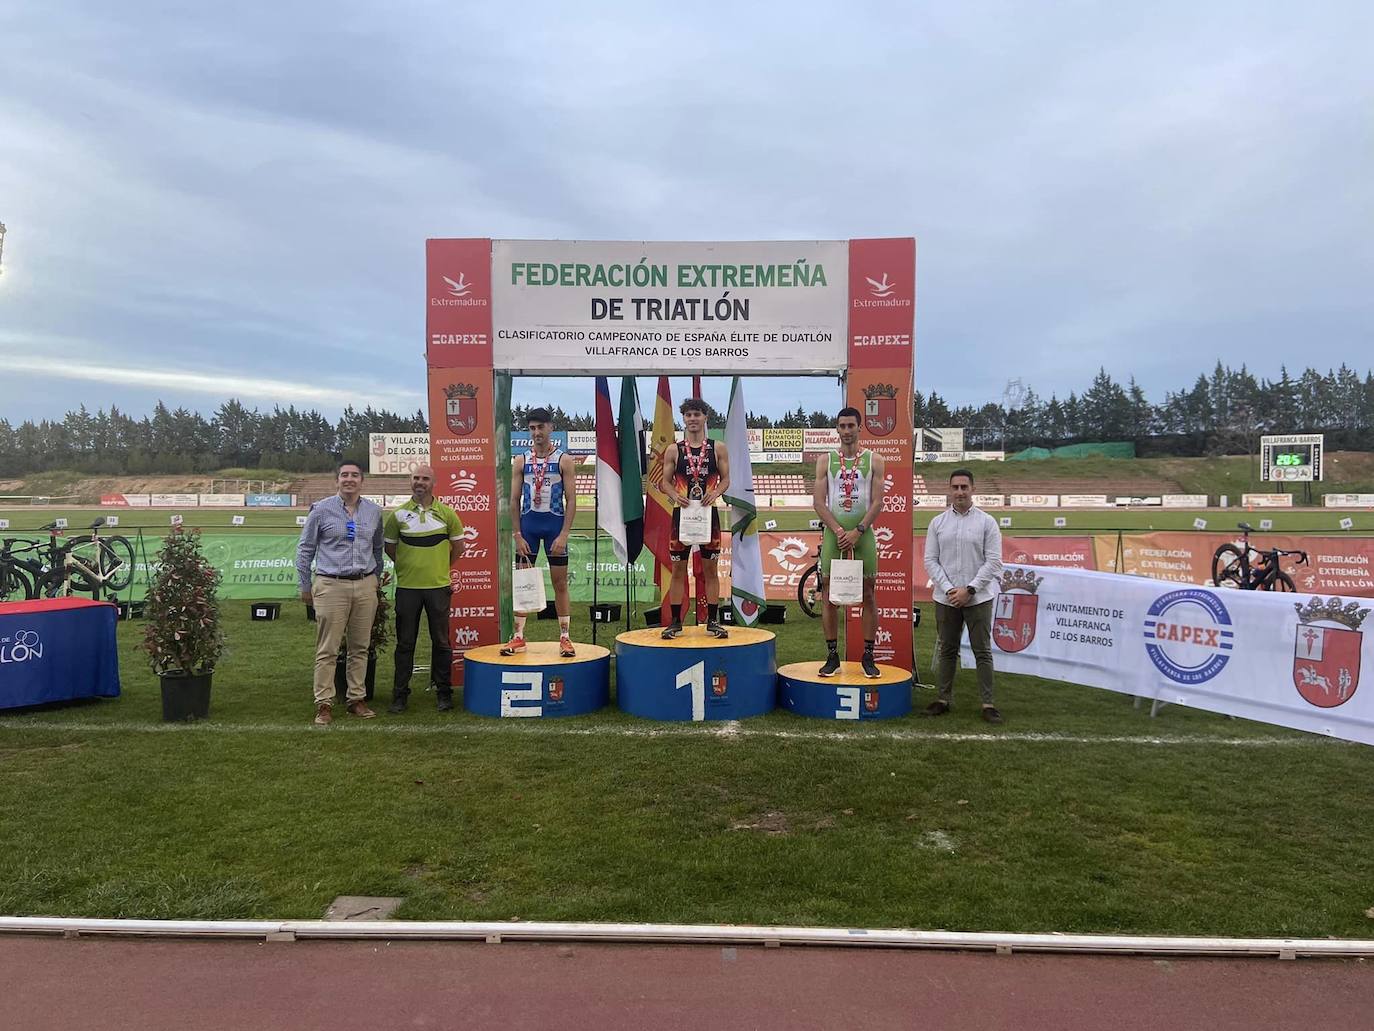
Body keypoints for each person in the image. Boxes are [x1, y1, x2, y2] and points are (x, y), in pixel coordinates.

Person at [296, 460, 386, 725]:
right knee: (328, 648)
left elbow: (377, 548)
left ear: (362, 481)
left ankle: (356, 698)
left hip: (364, 583)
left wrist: (375, 579)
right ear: (337, 480)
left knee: (360, 646)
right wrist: (304, 586)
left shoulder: (373, 511)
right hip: (330, 583)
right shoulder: (321, 510)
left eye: (355, 475)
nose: (349, 479)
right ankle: (324, 703)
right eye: (344, 475)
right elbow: (304, 550)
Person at [923, 468, 1005, 723]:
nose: (960, 492)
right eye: (955, 487)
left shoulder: (987, 522)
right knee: (947, 649)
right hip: (945, 598)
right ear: (949, 489)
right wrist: (950, 589)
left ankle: (988, 703)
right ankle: (943, 699)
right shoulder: (937, 523)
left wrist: (969, 590)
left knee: (982, 651)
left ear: (973, 489)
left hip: (978, 598)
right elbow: (930, 560)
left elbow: (993, 562)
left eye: (964, 487)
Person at [383, 465, 466, 714]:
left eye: (425, 479)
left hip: (438, 588)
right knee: (405, 643)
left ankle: (444, 693)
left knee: (441, 642)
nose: (420, 482)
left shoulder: (447, 514)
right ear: (410, 481)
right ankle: (400, 695)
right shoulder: (397, 516)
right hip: (408, 588)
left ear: (433, 482)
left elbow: (458, 548)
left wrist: (440, 567)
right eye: (416, 478)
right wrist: (410, 566)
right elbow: (391, 550)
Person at [812, 406, 886, 679]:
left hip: (863, 535)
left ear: (859, 427)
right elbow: (819, 502)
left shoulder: (875, 460)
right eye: (841, 426)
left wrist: (858, 530)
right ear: (837, 429)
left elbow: (878, 501)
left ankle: (868, 655)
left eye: (851, 426)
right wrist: (838, 531)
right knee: (830, 596)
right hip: (835, 535)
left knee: (868, 594)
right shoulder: (825, 461)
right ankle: (832, 655)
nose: (846, 431)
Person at [502, 408, 578, 657]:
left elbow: (571, 500)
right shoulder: (521, 460)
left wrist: (564, 534)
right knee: (524, 584)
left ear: (550, 428)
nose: (536, 432)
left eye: (540, 427)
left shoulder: (564, 460)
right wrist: (517, 535)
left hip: (555, 526)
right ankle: (518, 637)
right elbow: (514, 501)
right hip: (529, 529)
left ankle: (565, 637)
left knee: (559, 583)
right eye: (532, 428)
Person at [661, 397, 731, 640]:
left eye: (697, 414)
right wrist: (673, 495)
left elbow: (726, 479)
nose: (693, 419)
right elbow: (663, 482)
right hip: (682, 516)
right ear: (684, 418)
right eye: (689, 415)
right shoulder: (674, 449)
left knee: (710, 571)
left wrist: (716, 492)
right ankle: (676, 622)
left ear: (705, 418)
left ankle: (712, 621)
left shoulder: (717, 447)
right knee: (678, 570)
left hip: (707, 515)